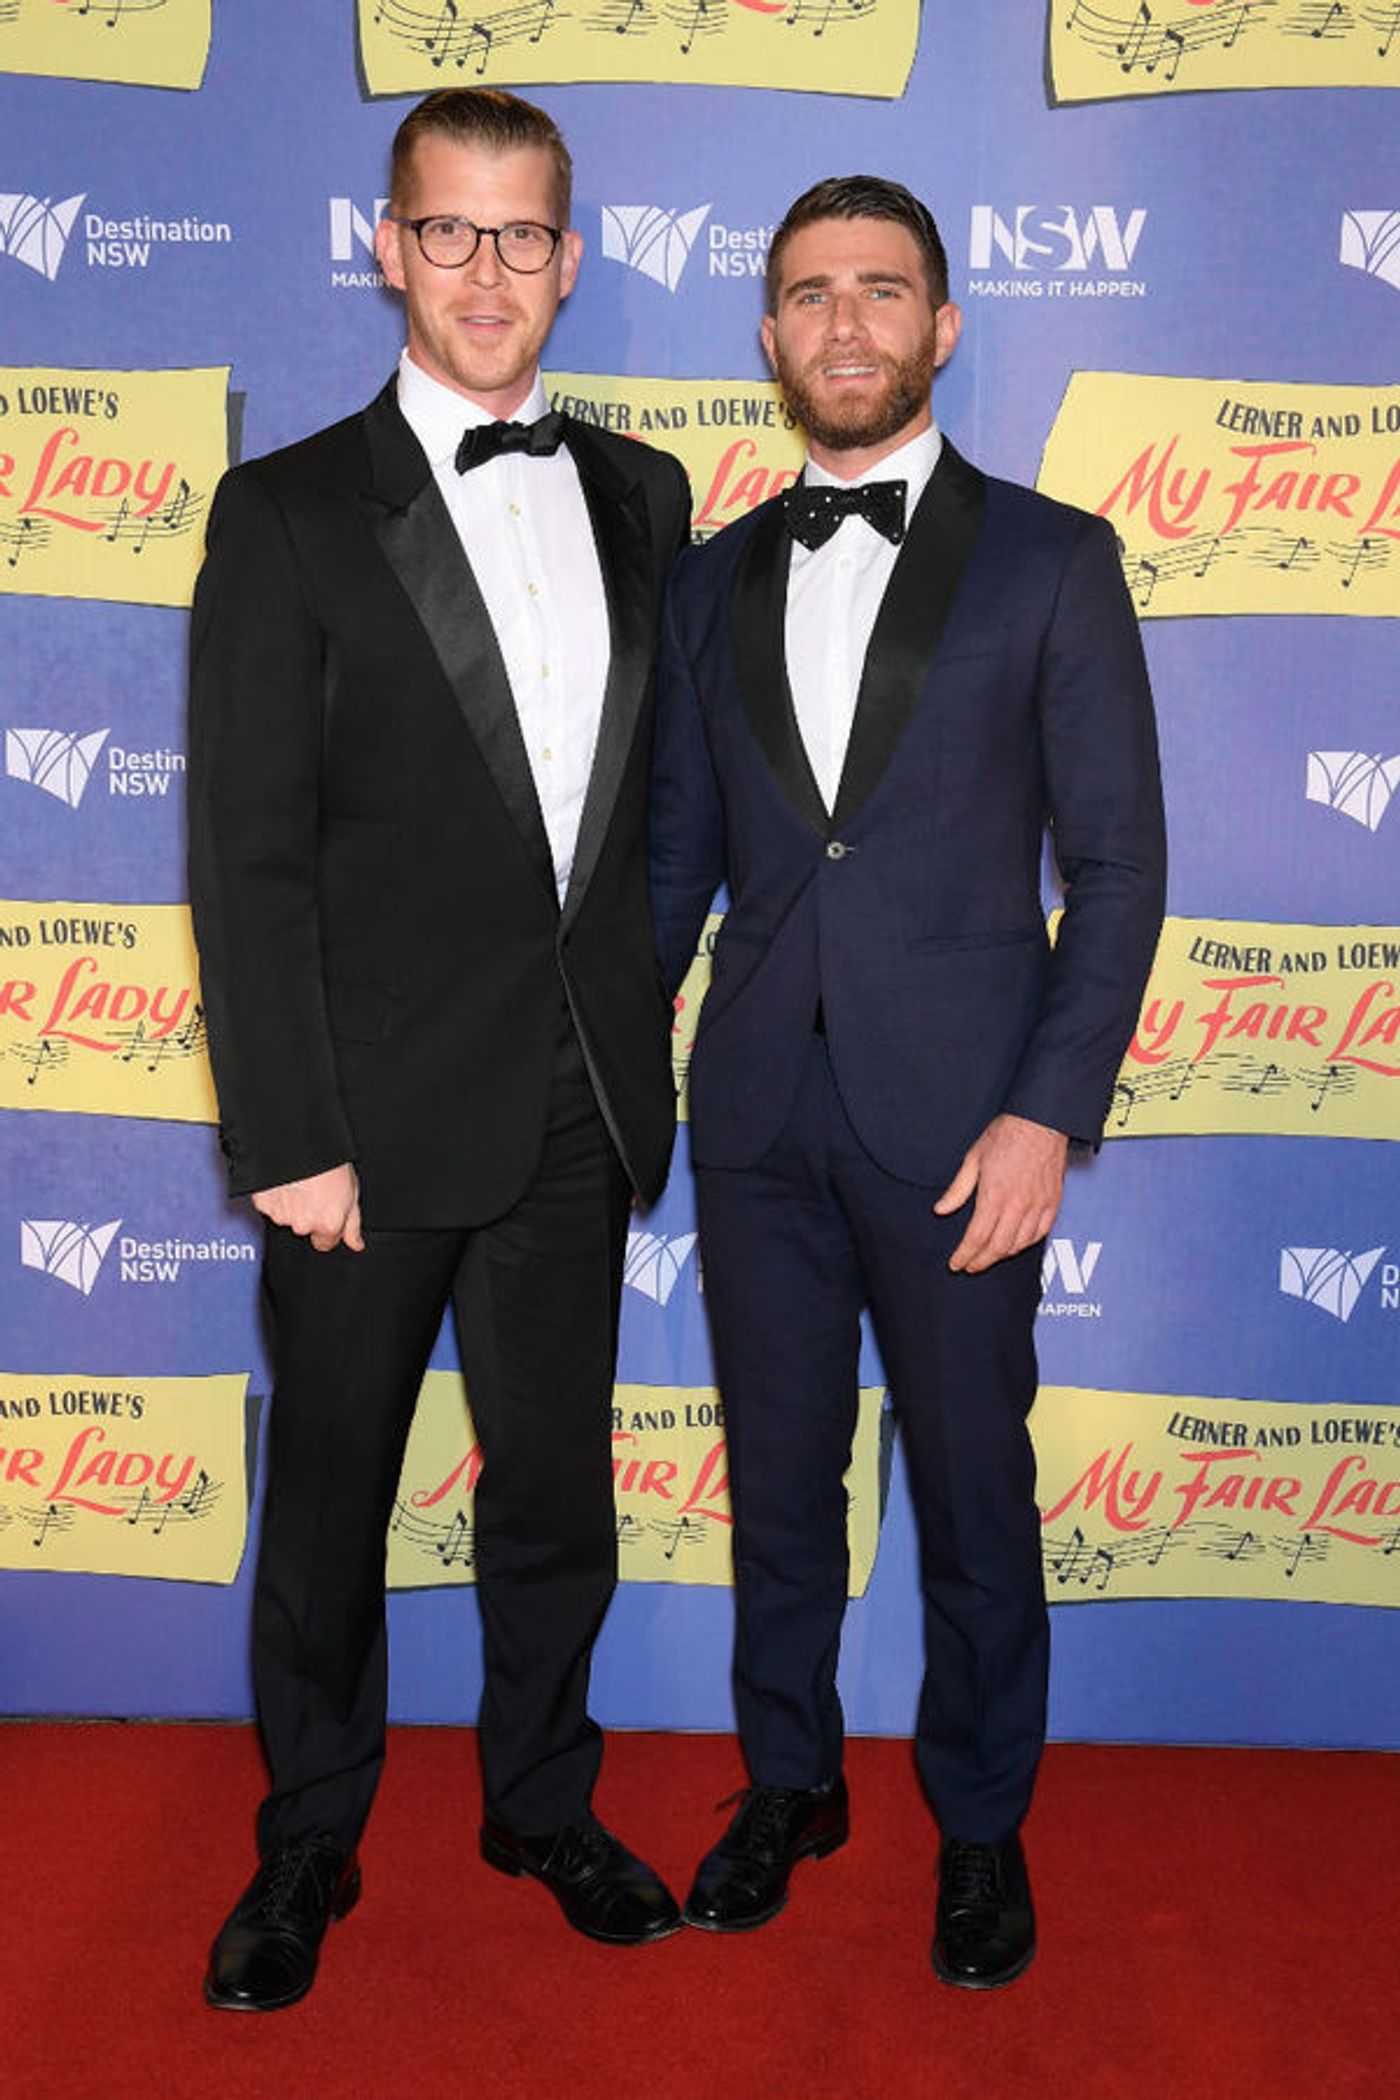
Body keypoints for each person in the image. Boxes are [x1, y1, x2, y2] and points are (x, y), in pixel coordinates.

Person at [188, 87, 691, 2012]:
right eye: (452, 232)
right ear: (387, 244)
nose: (491, 273)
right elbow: (243, 852)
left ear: (572, 254)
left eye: (527, 235)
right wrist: (291, 1132)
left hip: (578, 1103)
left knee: (557, 1492)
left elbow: (643, 831)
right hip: (365, 1139)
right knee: (327, 1499)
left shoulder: (644, 495)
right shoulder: (291, 507)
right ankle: (309, 1839)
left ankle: (540, 1801)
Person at [651, 176, 1166, 1989]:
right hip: (760, 1120)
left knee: (970, 1486)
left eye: (884, 291)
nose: (847, 323)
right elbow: (675, 867)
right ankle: (789, 1783)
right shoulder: (710, 579)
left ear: (944, 328)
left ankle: (980, 1827)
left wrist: (1046, 1112)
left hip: (967, 1126)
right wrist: (616, 1069)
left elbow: (1114, 869)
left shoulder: (1051, 558)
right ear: (772, 334)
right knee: (781, 1482)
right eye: (810, 293)